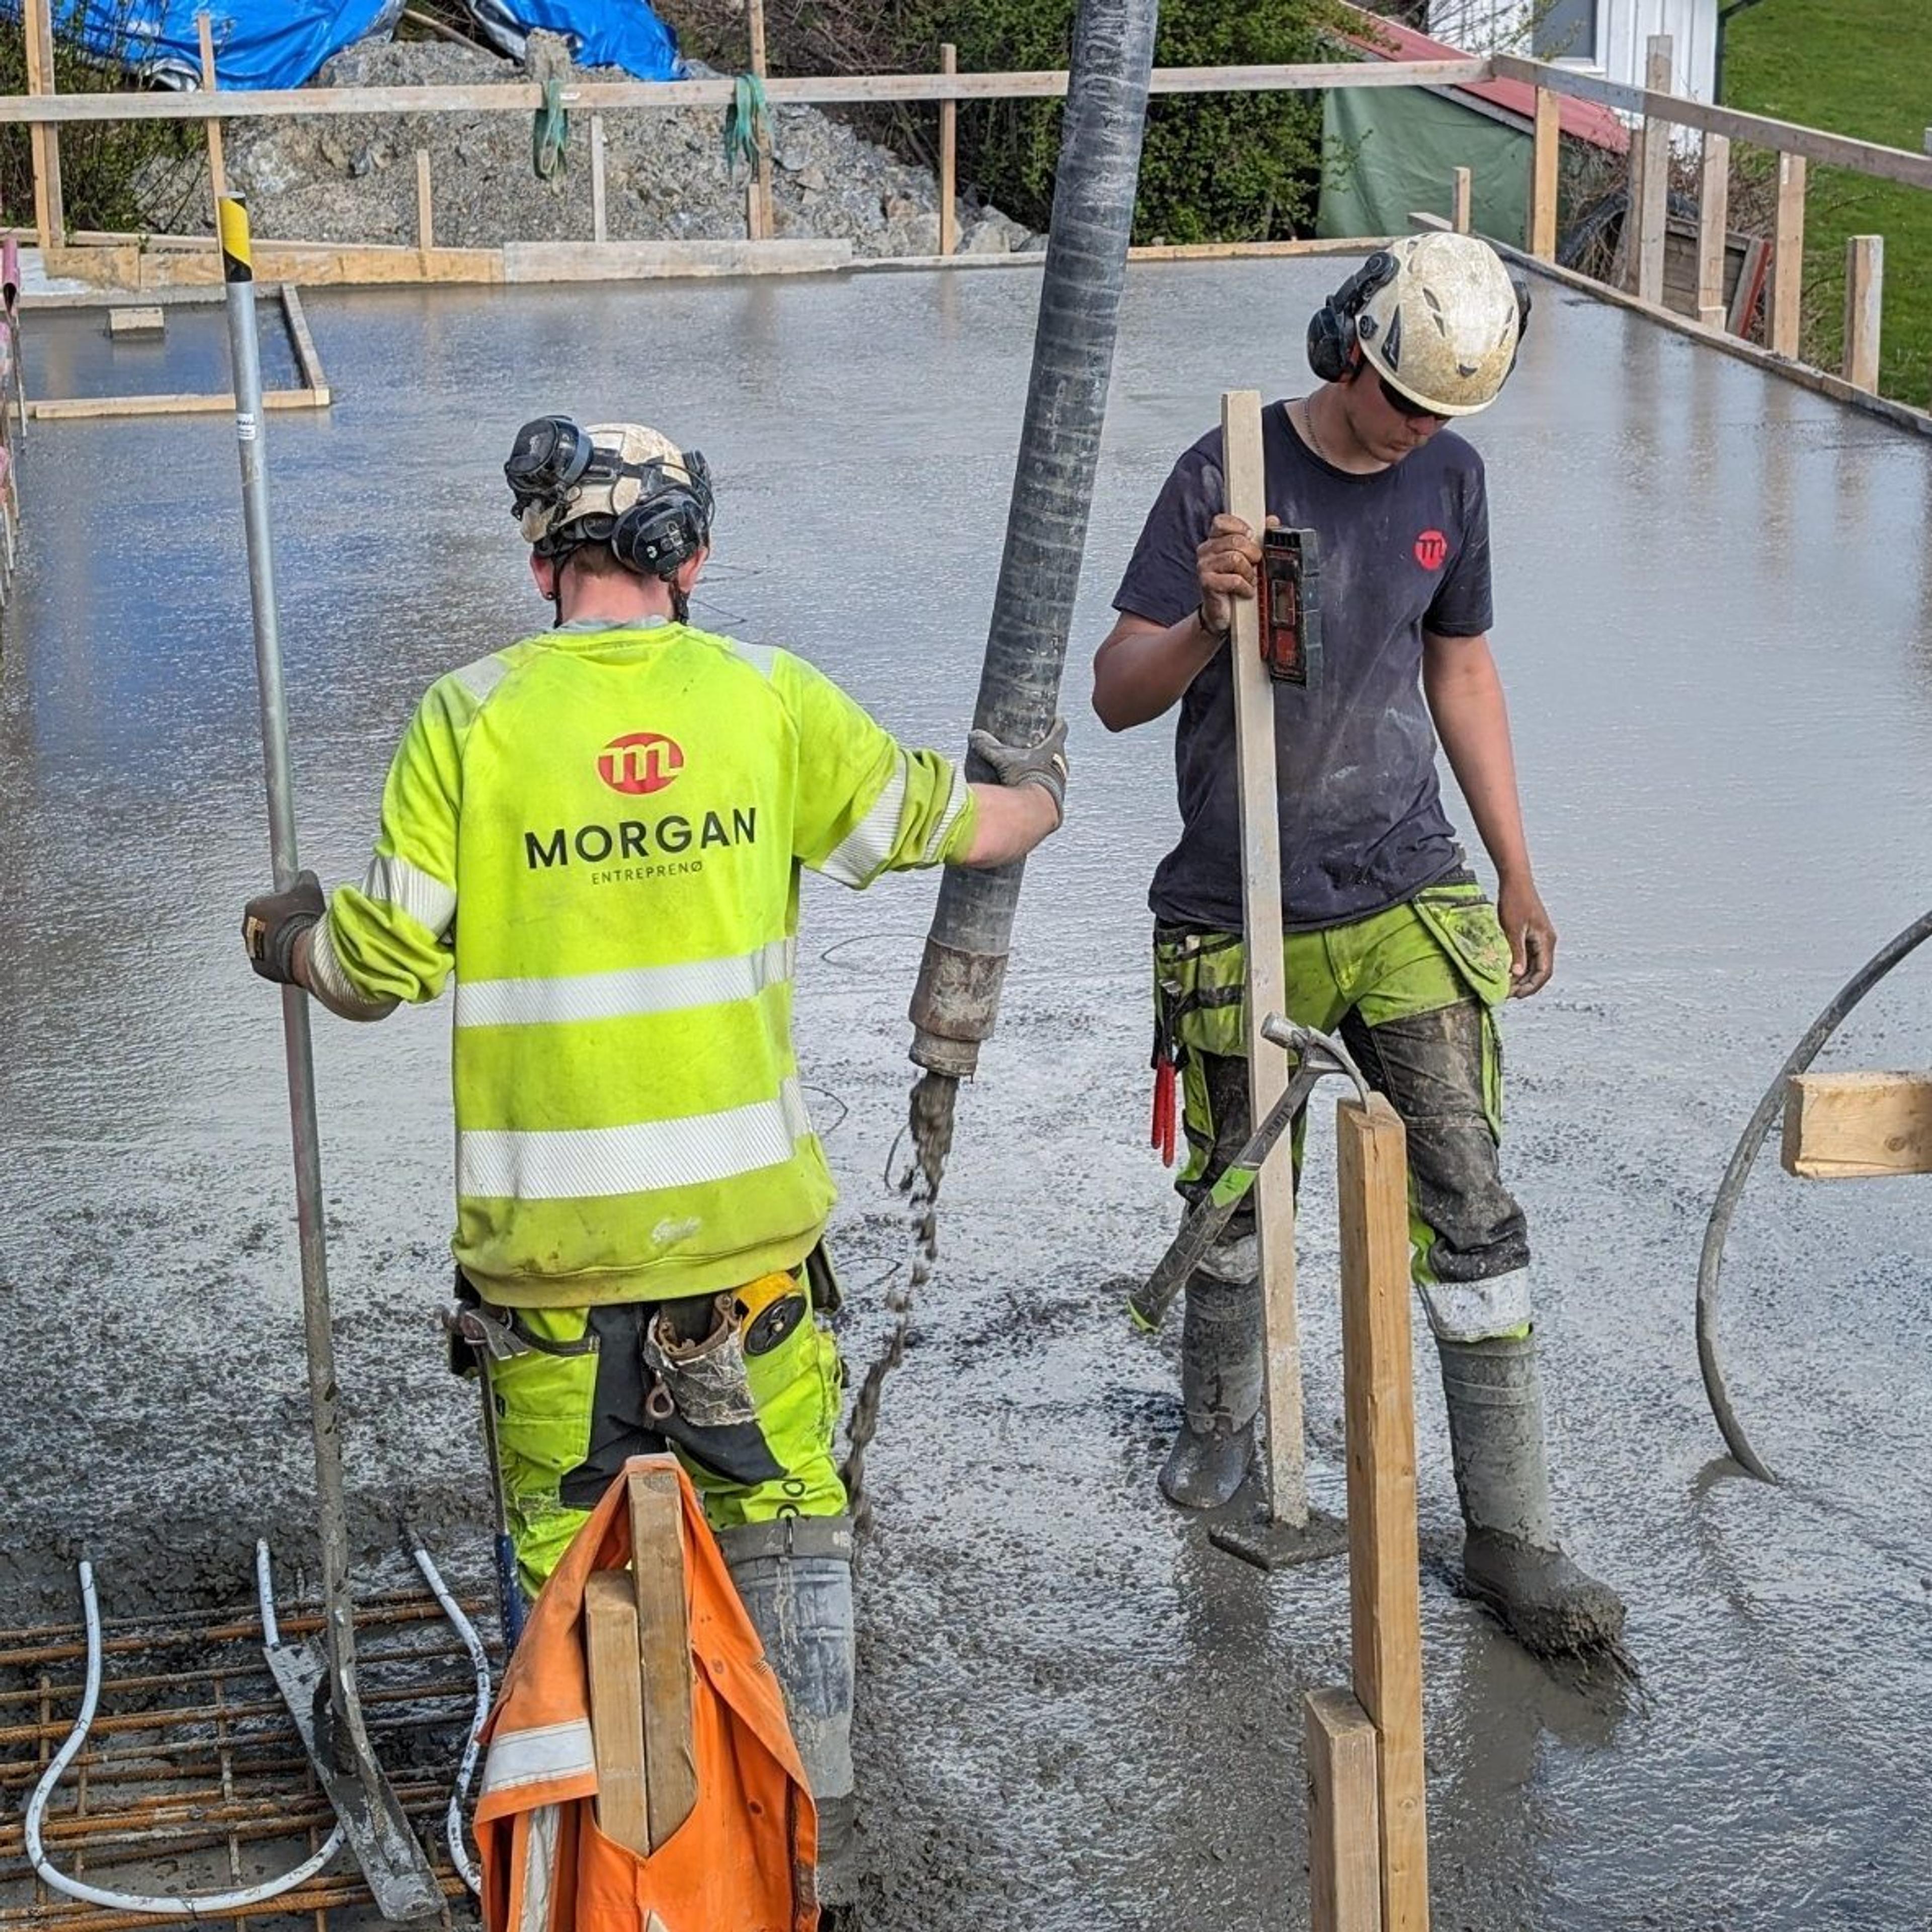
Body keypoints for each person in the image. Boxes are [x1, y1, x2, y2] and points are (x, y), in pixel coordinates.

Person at [240, 419, 1069, 1910]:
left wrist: (283, 938)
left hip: (553, 1281)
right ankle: (796, 1860)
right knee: (784, 1532)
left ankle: (589, 1875)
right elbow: (952, 819)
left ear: (541, 555)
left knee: (571, 1581)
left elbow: (373, 971)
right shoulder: (766, 698)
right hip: (747, 1265)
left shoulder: (470, 717)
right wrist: (1049, 799)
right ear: (691, 559)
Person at [1091, 232, 1624, 1657]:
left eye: (1444, 414)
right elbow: (1115, 695)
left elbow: (1461, 665)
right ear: (1347, 344)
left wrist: (1517, 867)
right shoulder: (1231, 474)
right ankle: (1221, 1433)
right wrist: (1207, 617)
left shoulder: (1452, 477)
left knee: (1468, 1189)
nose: (1414, 433)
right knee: (1240, 1197)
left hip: (1404, 883)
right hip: (1238, 896)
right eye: (1400, 400)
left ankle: (1511, 1530)